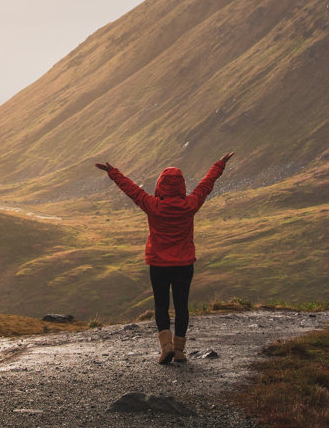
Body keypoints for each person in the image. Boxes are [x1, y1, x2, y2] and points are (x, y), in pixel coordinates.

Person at [95, 152, 235, 364]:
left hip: (159, 264)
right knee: (181, 306)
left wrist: (113, 173)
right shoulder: (191, 204)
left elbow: (132, 190)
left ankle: (165, 347)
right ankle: (179, 351)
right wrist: (219, 165)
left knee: (161, 305)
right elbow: (206, 184)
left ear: (160, 185)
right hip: (184, 264)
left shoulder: (152, 205)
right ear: (181, 186)